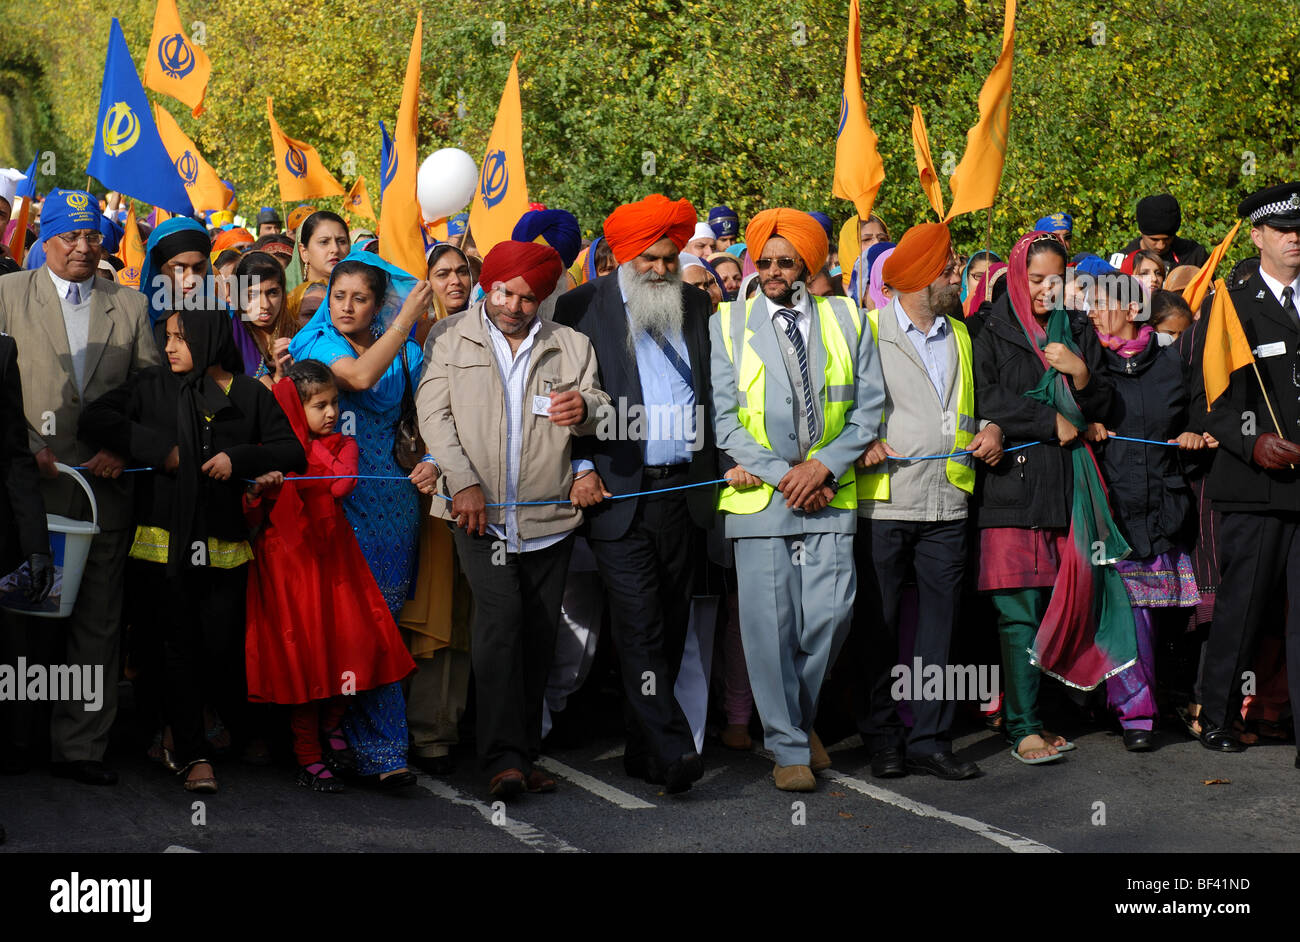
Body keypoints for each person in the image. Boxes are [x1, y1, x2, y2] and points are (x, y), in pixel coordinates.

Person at [79, 305, 304, 792]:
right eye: (168, 337)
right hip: (163, 548)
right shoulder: (153, 386)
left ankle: (198, 734)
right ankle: (193, 753)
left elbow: (291, 450)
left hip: (224, 548)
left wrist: (238, 457)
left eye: (181, 337)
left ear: (208, 338)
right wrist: (158, 451)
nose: (170, 346)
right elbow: (96, 417)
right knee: (176, 648)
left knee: (217, 648)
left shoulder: (246, 393)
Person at [418, 240, 610, 798]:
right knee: (499, 627)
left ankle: (523, 754)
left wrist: (587, 410)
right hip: (477, 517)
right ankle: (501, 759)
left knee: (535, 636)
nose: (515, 306)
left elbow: (596, 406)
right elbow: (434, 414)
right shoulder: (448, 338)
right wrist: (464, 483)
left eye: (529, 298)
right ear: (488, 284)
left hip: (549, 518)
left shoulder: (571, 345)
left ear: (544, 297)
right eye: (506, 291)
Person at [711, 208, 884, 792]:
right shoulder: (726, 323)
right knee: (768, 628)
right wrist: (786, 474)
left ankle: (796, 718)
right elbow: (727, 423)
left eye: (786, 262)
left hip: (830, 493)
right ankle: (788, 746)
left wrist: (822, 467)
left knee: (833, 616)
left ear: (808, 264)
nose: (774, 271)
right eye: (764, 261)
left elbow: (868, 410)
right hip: (762, 500)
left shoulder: (849, 317)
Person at [555, 194, 719, 793]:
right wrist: (580, 467)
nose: (660, 269)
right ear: (624, 255)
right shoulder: (580, 307)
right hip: (618, 492)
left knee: (673, 625)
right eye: (650, 259)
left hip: (686, 490)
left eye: (669, 259)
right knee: (640, 624)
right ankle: (674, 750)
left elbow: (712, 387)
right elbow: (561, 396)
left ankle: (642, 745)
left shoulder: (697, 303)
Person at [0, 190, 161, 786]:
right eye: (71, 236)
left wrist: (123, 447)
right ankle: (18, 740)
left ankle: (82, 748)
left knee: (97, 623)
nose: (84, 247)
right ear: (45, 240)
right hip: (27, 492)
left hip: (102, 493)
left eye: (93, 236)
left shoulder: (132, 305)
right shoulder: (8, 294)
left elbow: (149, 392)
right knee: (21, 620)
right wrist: (25, 444)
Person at [852, 222, 1003, 780]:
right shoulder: (867, 332)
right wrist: (857, 441)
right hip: (884, 503)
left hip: (949, 502)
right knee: (880, 627)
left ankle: (930, 738)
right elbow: (837, 402)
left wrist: (991, 428)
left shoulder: (961, 334)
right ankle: (883, 737)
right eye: (949, 269)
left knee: (941, 630)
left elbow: (978, 403)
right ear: (919, 280)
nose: (957, 275)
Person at [288, 250, 438, 787]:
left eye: (359, 299)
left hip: (394, 497)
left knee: (384, 621)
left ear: (377, 306)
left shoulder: (408, 352)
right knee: (349, 622)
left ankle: (366, 742)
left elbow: (427, 414)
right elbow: (356, 375)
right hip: (335, 496)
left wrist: (433, 460)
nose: (345, 307)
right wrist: (404, 323)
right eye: (338, 295)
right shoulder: (317, 342)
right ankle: (373, 750)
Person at [973, 231, 1120, 765]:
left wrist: (1080, 373)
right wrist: (1045, 419)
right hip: (1011, 490)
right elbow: (981, 396)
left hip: (1068, 488)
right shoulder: (987, 328)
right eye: (1036, 279)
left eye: (1056, 280)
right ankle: (1022, 727)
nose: (1045, 290)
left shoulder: (1079, 328)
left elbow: (1106, 401)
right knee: (1019, 614)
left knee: (1066, 606)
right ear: (1015, 274)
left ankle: (1047, 715)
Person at [244, 361, 416, 792]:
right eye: (319, 404)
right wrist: (258, 487)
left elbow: (339, 487)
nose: (331, 412)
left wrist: (297, 466)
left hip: (335, 564)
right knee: (308, 661)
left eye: (334, 402)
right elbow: (251, 509)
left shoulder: (343, 445)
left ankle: (333, 728)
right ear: (293, 408)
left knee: (348, 651)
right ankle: (307, 755)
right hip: (290, 566)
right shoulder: (272, 453)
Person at [1193, 182, 1300, 759]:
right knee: (1242, 608)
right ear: (1256, 235)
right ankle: (1217, 718)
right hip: (1255, 484)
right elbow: (1206, 399)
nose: (1294, 238)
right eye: (1282, 229)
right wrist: (1252, 441)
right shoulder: (1229, 301)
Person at [1083, 273, 1202, 751]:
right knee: (1127, 614)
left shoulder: (1174, 362)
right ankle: (1137, 713)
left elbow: (1200, 413)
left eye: (1101, 304)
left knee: (1159, 618)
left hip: (1164, 506)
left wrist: (1195, 434)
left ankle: (1144, 701)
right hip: (1108, 509)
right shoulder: (1088, 363)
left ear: (1132, 311)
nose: (1091, 313)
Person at [232, 250, 295, 386]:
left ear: (283, 293)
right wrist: (279, 376)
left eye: (273, 293)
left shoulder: (298, 336)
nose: (265, 305)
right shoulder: (232, 339)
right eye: (252, 294)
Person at [1112, 193, 1209, 272]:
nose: (1161, 246)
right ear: (1141, 232)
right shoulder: (1120, 263)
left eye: (1167, 239)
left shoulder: (1194, 256)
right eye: (1154, 239)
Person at [285, 211, 350, 325]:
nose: (335, 249)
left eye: (342, 241)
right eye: (324, 242)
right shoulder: (280, 294)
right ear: (304, 252)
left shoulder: (360, 293)